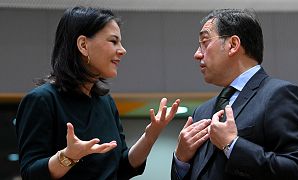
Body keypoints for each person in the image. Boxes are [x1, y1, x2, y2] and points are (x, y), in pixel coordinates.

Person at [15, 6, 180, 180]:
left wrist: (150, 135)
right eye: (113, 41)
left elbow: (123, 167)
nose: (122, 50)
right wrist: (68, 156)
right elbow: (31, 173)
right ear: (83, 45)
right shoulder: (41, 100)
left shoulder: (105, 102)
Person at [171, 9, 298, 180]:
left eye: (204, 41)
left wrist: (232, 145)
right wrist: (180, 160)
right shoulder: (202, 111)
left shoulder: (280, 95)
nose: (197, 54)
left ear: (233, 44)